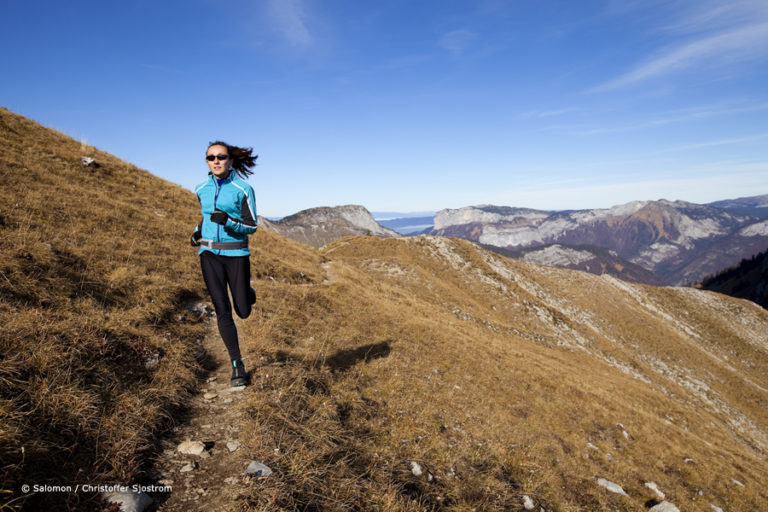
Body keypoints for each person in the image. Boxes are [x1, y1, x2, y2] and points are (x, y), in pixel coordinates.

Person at [191, 141, 258, 386]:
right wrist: (197, 231)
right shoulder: (201, 188)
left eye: (221, 157)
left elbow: (252, 226)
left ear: (230, 160)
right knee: (222, 309)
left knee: (243, 310)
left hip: (237, 254)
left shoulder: (243, 189)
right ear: (207, 161)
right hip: (208, 253)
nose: (216, 161)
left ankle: (247, 293)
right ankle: (237, 365)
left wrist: (228, 222)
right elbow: (205, 215)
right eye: (211, 157)